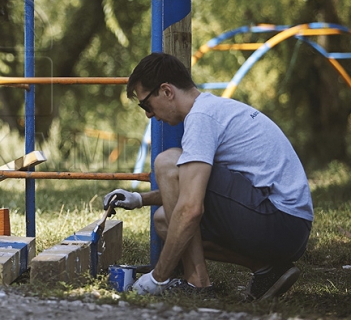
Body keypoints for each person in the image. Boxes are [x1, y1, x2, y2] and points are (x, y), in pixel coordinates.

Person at [104, 52, 313, 301]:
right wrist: (139, 199)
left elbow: (191, 207)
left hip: (281, 222)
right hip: (287, 225)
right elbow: (195, 187)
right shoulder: (212, 109)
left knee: (167, 162)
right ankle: (267, 269)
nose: (148, 115)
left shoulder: (201, 118)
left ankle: (198, 284)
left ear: (167, 91)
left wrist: (157, 277)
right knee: (164, 220)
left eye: (146, 105)